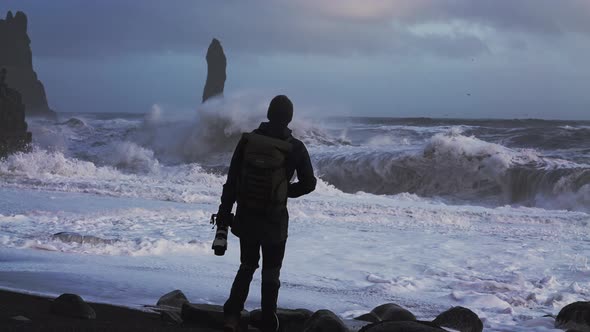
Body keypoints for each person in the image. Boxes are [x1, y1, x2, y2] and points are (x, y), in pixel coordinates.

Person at [217, 95, 316, 332]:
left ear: (268, 114)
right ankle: (268, 321)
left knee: (247, 265)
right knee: (272, 271)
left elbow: (232, 181)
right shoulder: (295, 147)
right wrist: (284, 193)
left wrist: (223, 213)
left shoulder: (248, 141)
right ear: (289, 118)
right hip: (275, 219)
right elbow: (309, 183)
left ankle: (232, 316)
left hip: (246, 214)